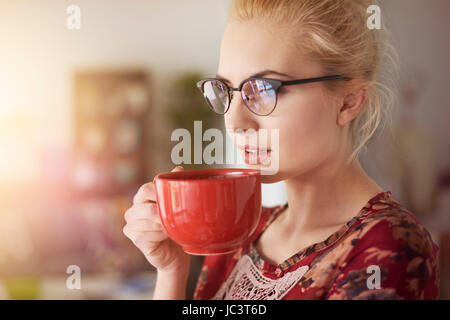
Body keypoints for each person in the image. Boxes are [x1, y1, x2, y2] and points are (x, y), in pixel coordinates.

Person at [123, 0, 439, 299]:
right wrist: (171, 271)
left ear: (348, 102)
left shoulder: (389, 247)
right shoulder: (243, 232)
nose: (235, 121)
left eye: (262, 89)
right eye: (225, 90)